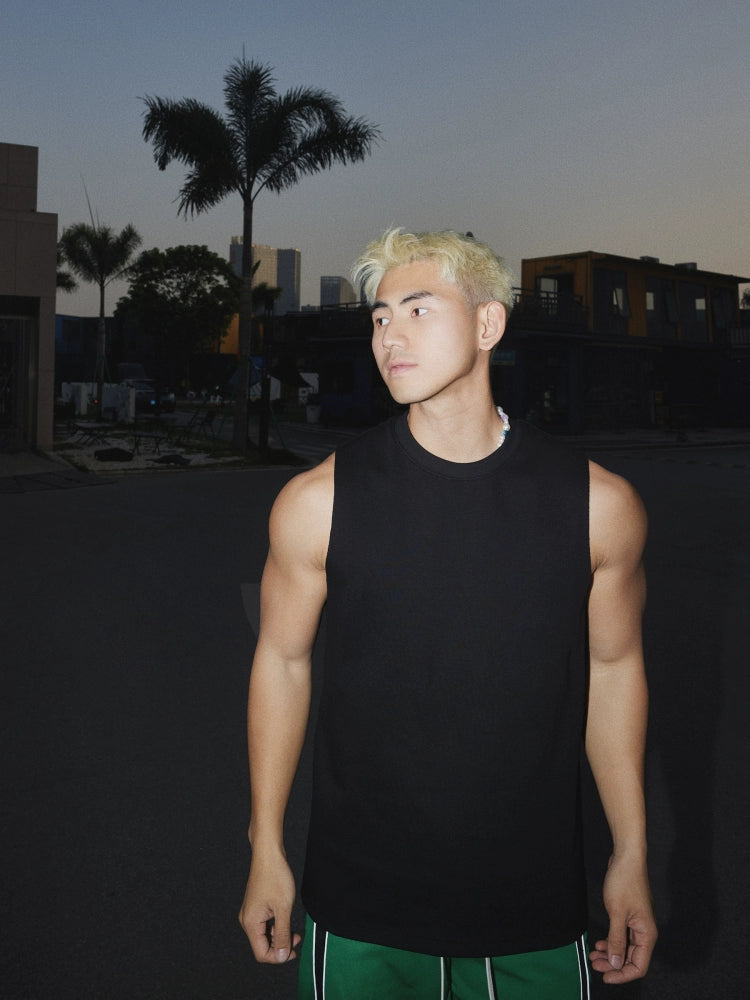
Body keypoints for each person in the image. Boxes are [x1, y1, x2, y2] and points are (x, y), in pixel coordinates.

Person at [239, 228, 657, 998]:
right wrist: (266, 845)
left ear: (488, 323)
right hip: (361, 905)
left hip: (533, 908)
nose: (389, 334)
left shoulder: (598, 506)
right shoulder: (316, 502)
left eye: (418, 309)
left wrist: (630, 852)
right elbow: (282, 663)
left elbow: (614, 668)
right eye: (379, 316)